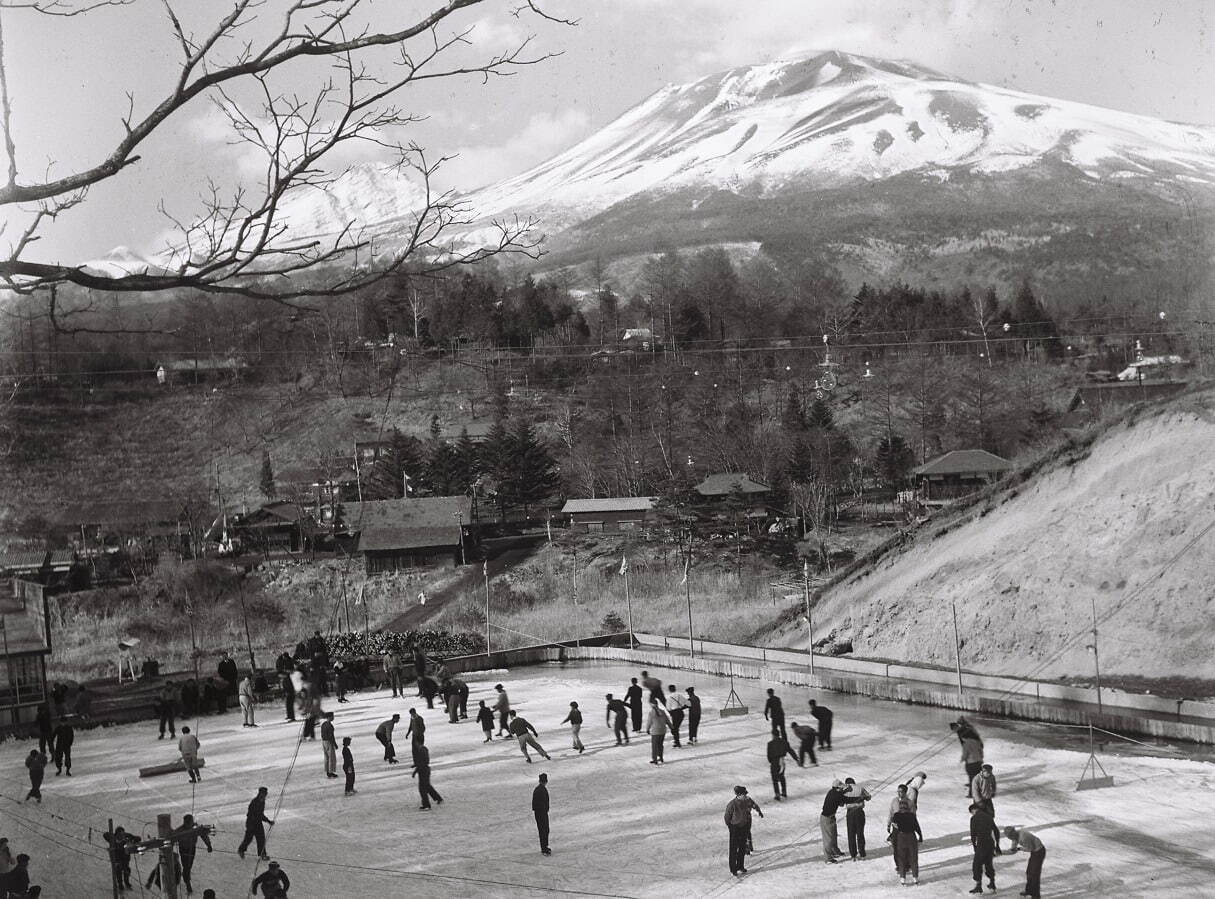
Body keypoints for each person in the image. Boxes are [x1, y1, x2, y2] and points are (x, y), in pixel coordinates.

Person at [723, 785, 763, 876]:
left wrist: (759, 811)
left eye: (745, 794)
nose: (745, 796)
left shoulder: (747, 800)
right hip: (735, 827)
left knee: (742, 847)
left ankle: (740, 866)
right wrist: (730, 826)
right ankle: (733, 869)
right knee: (733, 848)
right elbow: (727, 817)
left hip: (744, 826)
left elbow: (754, 805)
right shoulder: (732, 804)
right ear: (739, 795)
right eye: (743, 794)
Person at [174, 813, 212, 896]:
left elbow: (203, 835)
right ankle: (187, 882)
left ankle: (186, 877)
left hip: (192, 849)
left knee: (189, 866)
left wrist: (208, 845)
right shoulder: (180, 830)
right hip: (184, 850)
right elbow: (172, 838)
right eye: (187, 823)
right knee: (186, 866)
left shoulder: (195, 828)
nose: (188, 825)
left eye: (190, 823)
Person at [1004, 826, 1046, 899]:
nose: (1010, 838)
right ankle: (1029, 890)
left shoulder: (1023, 837)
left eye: (1010, 836)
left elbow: (1030, 848)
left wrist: (1019, 848)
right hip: (1034, 852)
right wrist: (1003, 852)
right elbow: (1013, 850)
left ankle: (1036, 895)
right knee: (1029, 872)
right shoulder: (1015, 837)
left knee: (1034, 874)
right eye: (1008, 837)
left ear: (1013, 832)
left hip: (1039, 851)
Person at [890, 798, 923, 886]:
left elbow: (895, 829)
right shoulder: (912, 815)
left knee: (901, 858)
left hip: (901, 837)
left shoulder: (896, 816)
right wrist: (920, 836)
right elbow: (917, 826)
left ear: (900, 807)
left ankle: (902, 879)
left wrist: (893, 839)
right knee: (913, 858)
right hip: (911, 837)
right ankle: (915, 878)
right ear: (907, 807)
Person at [237, 786, 274, 860]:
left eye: (265, 794)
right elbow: (252, 814)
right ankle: (241, 850)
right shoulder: (254, 802)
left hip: (258, 823)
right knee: (248, 839)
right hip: (251, 823)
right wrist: (251, 825)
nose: (264, 796)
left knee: (261, 839)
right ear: (260, 794)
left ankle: (262, 854)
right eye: (263, 794)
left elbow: (261, 814)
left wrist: (268, 821)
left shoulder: (262, 801)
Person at [971, 764, 1002, 851]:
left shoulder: (991, 777)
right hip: (979, 802)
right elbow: (975, 792)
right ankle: (979, 844)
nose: (989, 774)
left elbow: (993, 784)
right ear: (983, 772)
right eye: (988, 773)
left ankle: (996, 845)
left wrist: (993, 792)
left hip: (988, 800)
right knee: (980, 822)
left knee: (991, 820)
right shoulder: (976, 779)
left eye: (990, 772)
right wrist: (980, 803)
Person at [968, 803, 997, 894]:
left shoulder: (974, 818)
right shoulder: (989, 817)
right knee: (989, 863)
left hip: (982, 843)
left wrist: (975, 846)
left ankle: (978, 885)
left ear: (973, 810)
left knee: (977, 864)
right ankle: (992, 883)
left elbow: (973, 834)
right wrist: (997, 846)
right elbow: (996, 831)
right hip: (990, 843)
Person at [819, 779, 851, 862]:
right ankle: (828, 858)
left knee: (833, 835)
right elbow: (844, 802)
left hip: (831, 817)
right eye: (841, 788)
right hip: (826, 818)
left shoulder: (832, 792)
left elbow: (841, 800)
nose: (842, 789)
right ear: (837, 788)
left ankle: (835, 851)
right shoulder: (836, 794)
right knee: (828, 838)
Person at [843, 777, 872, 861]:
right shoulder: (860, 788)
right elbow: (869, 797)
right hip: (859, 812)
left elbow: (842, 802)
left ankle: (853, 855)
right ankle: (862, 854)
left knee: (851, 834)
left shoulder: (846, 790)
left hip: (850, 813)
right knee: (860, 833)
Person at [411, 743, 443, 810]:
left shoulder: (421, 750)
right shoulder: (424, 749)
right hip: (425, 769)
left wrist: (415, 771)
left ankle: (426, 805)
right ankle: (438, 798)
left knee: (422, 788)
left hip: (423, 770)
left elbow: (421, 762)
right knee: (427, 786)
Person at [766, 732, 796, 800]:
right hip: (781, 761)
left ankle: (777, 794)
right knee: (782, 776)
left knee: (774, 778)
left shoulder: (770, 744)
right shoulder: (784, 742)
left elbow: (769, 755)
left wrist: (771, 761)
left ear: (773, 735)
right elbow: (790, 750)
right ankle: (784, 792)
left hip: (774, 761)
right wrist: (796, 758)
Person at [645, 697, 672, 765]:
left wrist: (647, 729)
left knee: (654, 745)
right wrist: (671, 727)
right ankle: (661, 757)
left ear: (652, 705)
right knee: (660, 745)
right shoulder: (662, 711)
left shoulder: (651, 713)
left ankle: (655, 759)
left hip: (655, 731)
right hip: (662, 731)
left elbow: (649, 722)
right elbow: (667, 720)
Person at [959, 728, 984, 797]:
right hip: (979, 762)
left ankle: (972, 793)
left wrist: (962, 759)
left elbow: (965, 754)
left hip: (971, 763)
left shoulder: (966, 744)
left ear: (965, 737)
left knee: (972, 778)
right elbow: (981, 751)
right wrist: (981, 758)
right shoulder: (976, 742)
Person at [532, 772, 552, 855]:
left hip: (542, 812)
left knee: (545, 830)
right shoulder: (539, 790)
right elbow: (536, 804)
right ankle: (544, 848)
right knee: (543, 830)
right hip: (541, 813)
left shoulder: (540, 789)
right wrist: (543, 810)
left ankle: (545, 846)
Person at [321, 713, 338, 778]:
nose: (333, 717)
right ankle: (331, 772)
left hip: (324, 741)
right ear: (329, 717)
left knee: (326, 757)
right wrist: (335, 744)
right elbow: (331, 736)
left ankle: (327, 771)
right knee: (332, 757)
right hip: (329, 742)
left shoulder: (323, 724)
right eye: (332, 716)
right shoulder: (329, 725)